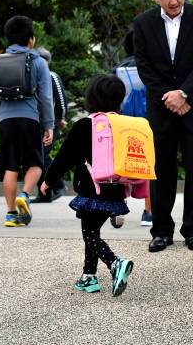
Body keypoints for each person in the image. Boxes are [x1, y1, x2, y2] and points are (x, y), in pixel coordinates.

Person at [134, 0, 193, 252]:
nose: (174, 1)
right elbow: (144, 67)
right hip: (161, 110)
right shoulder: (143, 24)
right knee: (161, 173)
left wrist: (184, 93)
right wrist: (168, 97)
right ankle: (161, 231)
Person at [40, 74, 134, 296]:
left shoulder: (86, 125)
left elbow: (65, 157)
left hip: (92, 189)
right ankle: (88, 276)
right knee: (91, 229)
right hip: (117, 188)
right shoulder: (123, 124)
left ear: (91, 98)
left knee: (90, 234)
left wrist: (48, 180)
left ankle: (115, 263)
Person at [0, 15, 54, 227]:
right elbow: (45, 97)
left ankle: (10, 213)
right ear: (31, 39)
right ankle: (24, 195)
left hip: (6, 121)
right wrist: (48, 125)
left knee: (10, 167)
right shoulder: (38, 62)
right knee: (35, 164)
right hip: (29, 119)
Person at [110, 30, 152, 228]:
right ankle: (149, 213)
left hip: (122, 124)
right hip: (148, 123)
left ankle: (119, 206)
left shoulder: (118, 69)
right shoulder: (151, 68)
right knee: (150, 166)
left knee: (121, 166)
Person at [31, 47, 68, 203]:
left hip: (51, 123)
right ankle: (44, 193)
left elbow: (61, 99)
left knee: (43, 156)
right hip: (36, 123)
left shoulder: (52, 76)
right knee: (38, 157)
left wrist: (61, 118)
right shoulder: (34, 77)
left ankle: (58, 183)